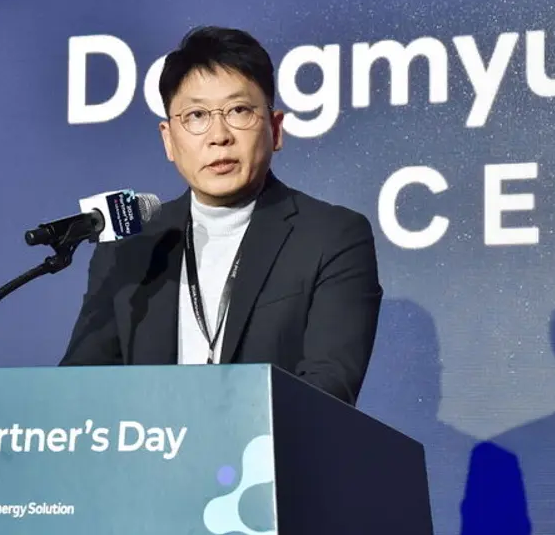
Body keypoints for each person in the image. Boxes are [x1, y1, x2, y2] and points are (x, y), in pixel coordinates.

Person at [59, 26, 383, 405]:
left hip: (272, 443)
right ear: (168, 139)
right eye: (196, 115)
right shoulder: (129, 246)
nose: (219, 136)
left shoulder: (331, 236)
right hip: (149, 443)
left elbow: (329, 388)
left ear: (275, 129)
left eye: (239, 111)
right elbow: (81, 391)